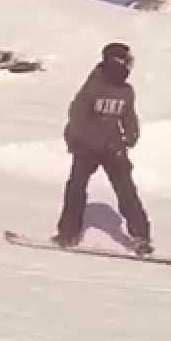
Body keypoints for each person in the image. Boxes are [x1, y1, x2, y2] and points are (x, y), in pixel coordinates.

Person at [54, 42, 152, 255]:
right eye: (126, 61)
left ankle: (141, 237)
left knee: (126, 191)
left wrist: (130, 136)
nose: (129, 66)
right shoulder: (93, 87)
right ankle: (68, 234)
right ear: (116, 62)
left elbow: (129, 116)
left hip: (113, 148)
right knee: (76, 188)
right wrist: (80, 140)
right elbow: (77, 115)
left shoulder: (126, 91)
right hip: (87, 147)